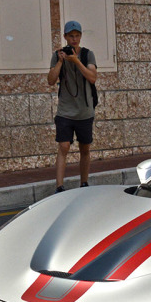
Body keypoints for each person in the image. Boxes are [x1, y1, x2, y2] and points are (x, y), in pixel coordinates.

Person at [47, 20, 97, 192]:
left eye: (77, 36)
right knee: (64, 146)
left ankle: (84, 183)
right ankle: (59, 186)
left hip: (84, 111)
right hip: (65, 111)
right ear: (65, 37)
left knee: (85, 147)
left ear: (80, 37)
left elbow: (92, 77)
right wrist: (61, 62)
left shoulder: (87, 55)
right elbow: (51, 80)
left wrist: (76, 61)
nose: (74, 39)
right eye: (71, 36)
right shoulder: (58, 55)